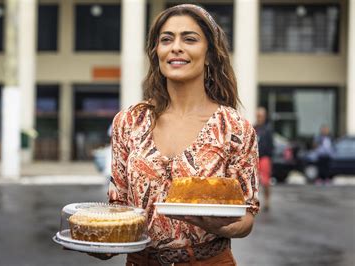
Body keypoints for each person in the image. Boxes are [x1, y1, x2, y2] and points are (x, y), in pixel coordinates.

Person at [101, 4, 259, 265]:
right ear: (157, 53)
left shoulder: (235, 128)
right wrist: (105, 243)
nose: (175, 47)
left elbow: (247, 216)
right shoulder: (129, 121)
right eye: (166, 39)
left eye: (189, 39)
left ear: (209, 54)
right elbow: (119, 204)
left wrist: (223, 228)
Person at [254, 107, 274, 211]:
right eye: (258, 115)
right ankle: (255, 202)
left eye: (261, 116)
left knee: (265, 181)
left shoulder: (268, 129)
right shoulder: (254, 128)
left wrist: (269, 158)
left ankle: (267, 200)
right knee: (254, 181)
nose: (259, 117)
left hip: (265, 158)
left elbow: (271, 146)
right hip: (255, 158)